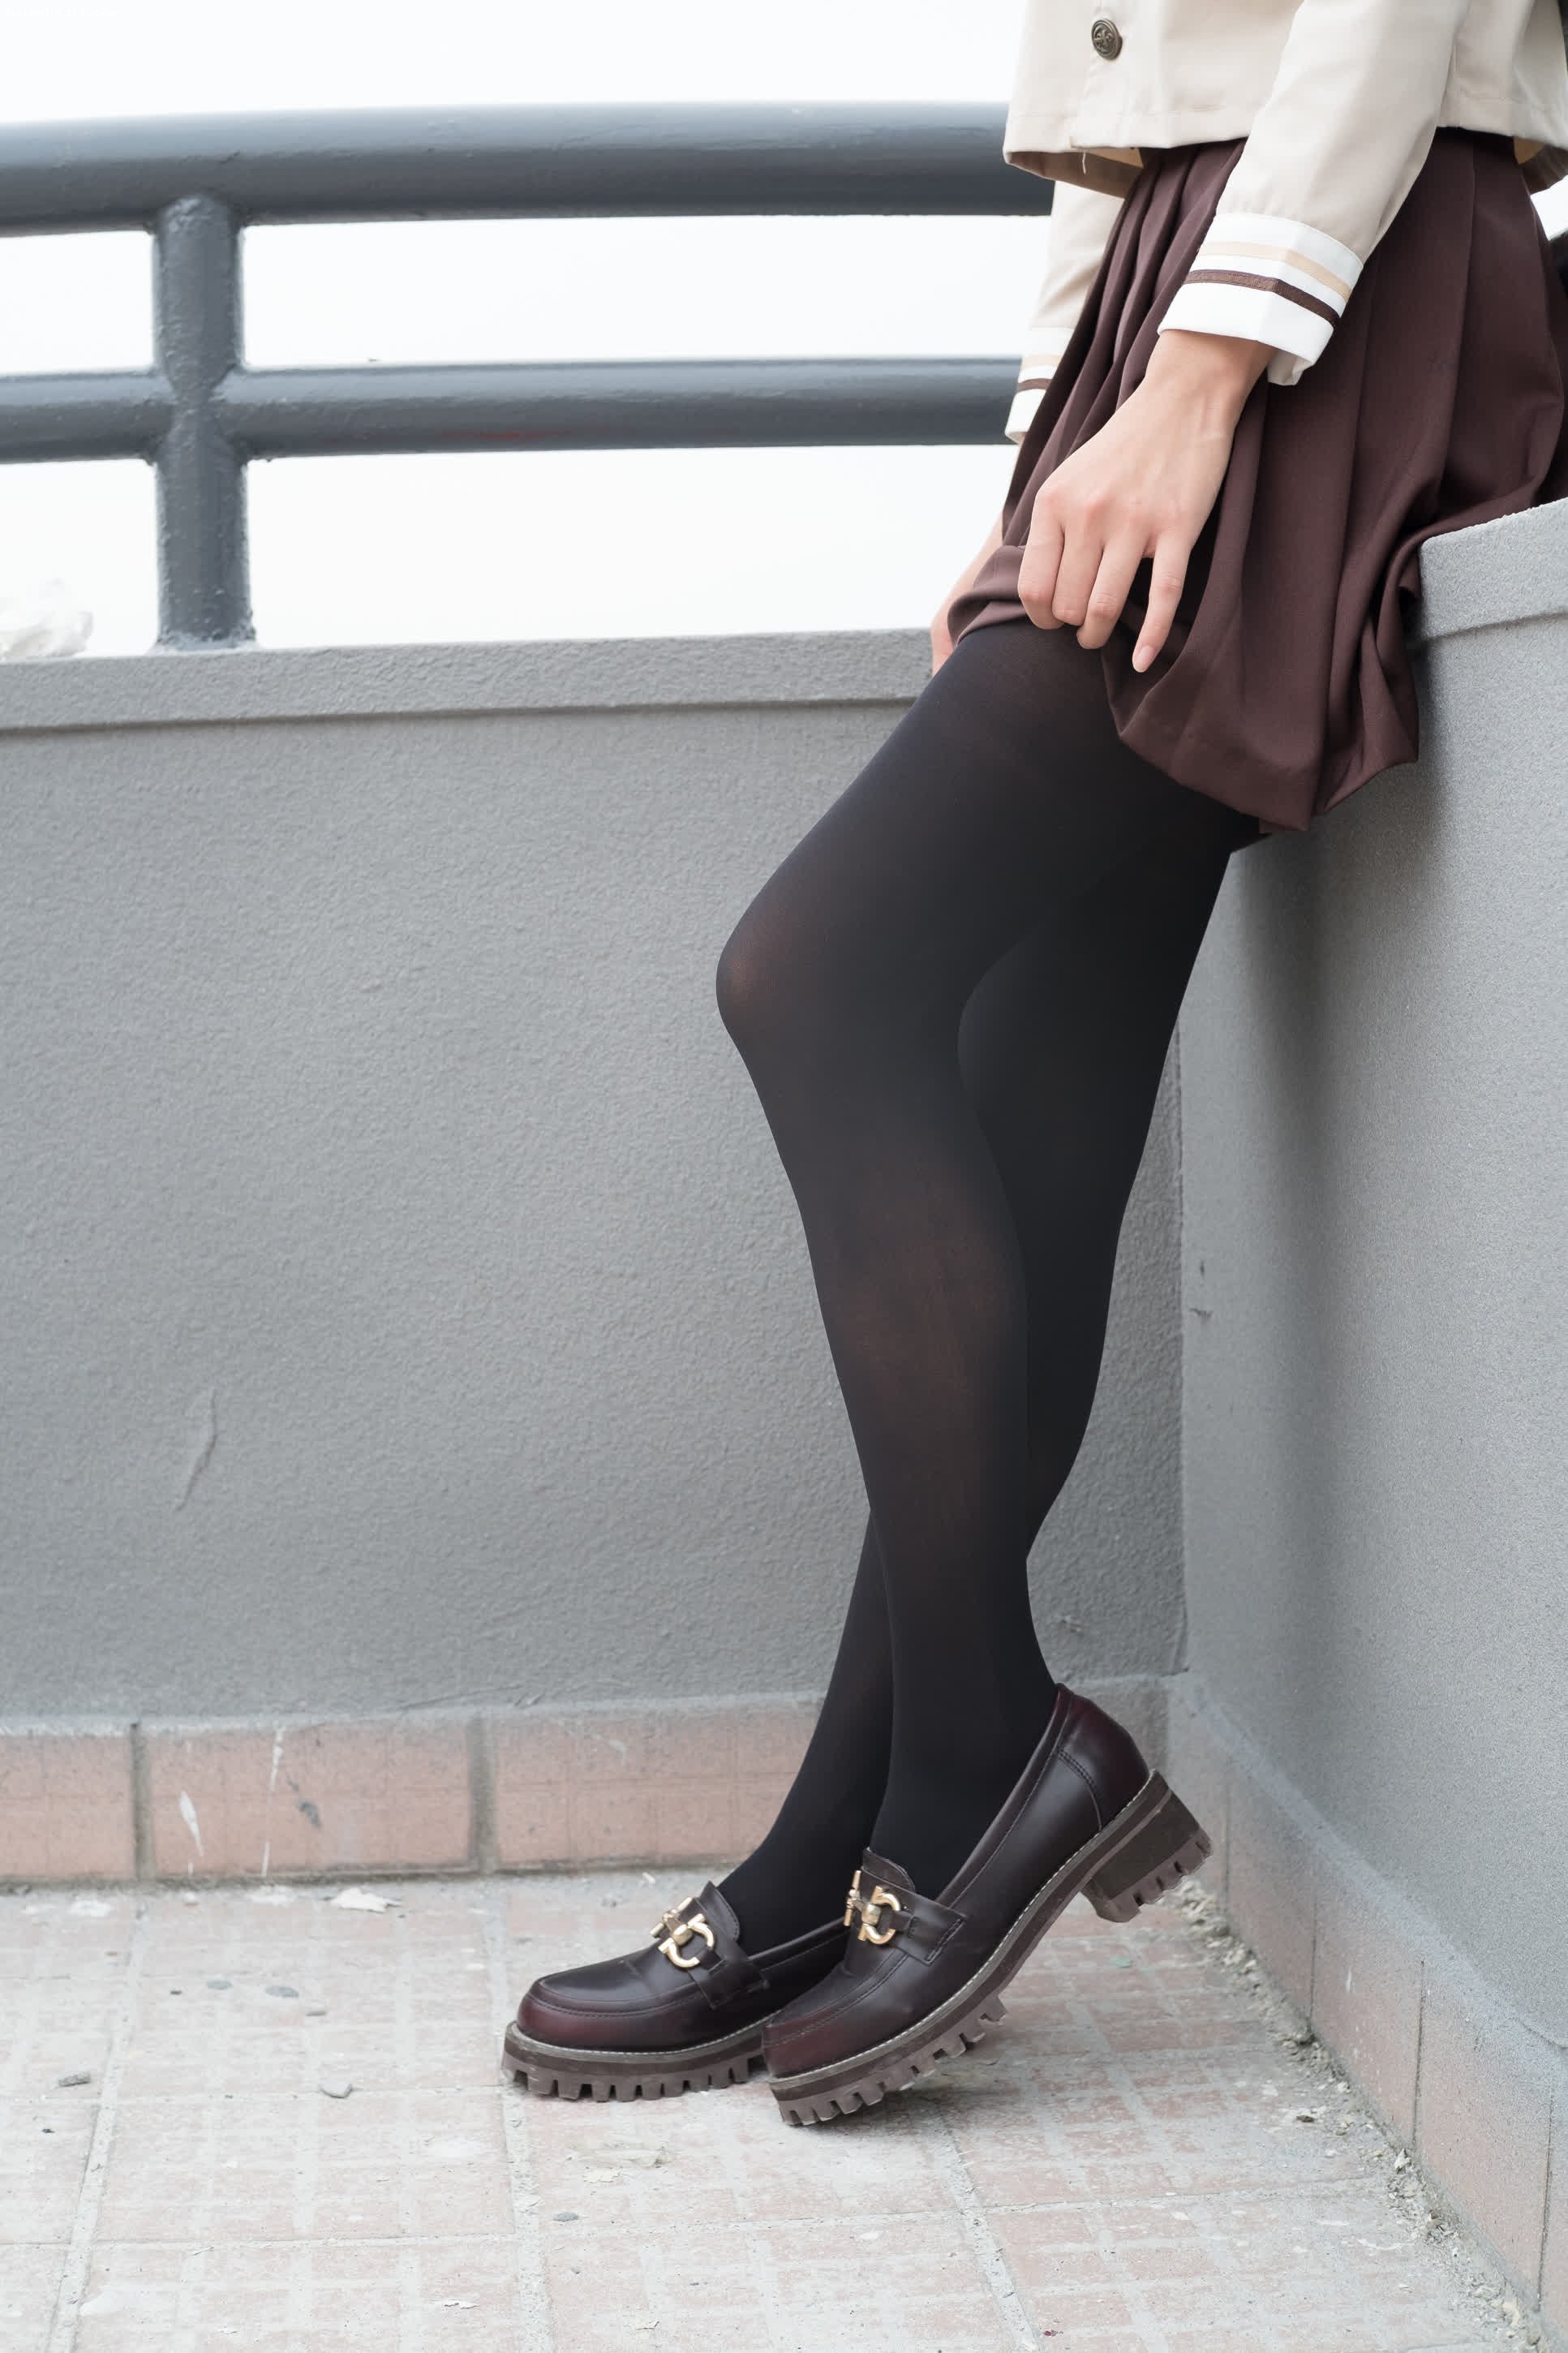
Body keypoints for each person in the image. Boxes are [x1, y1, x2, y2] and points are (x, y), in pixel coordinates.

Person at [506, 0, 1568, 2123]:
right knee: (1033, 1115)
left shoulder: (1262, 318)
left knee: (816, 974)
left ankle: (989, 1747)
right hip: (1203, 295)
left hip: (1329, 284)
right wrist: (1056, 448)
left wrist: (1200, 381)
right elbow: (1125, 81)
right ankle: (858, 1856)